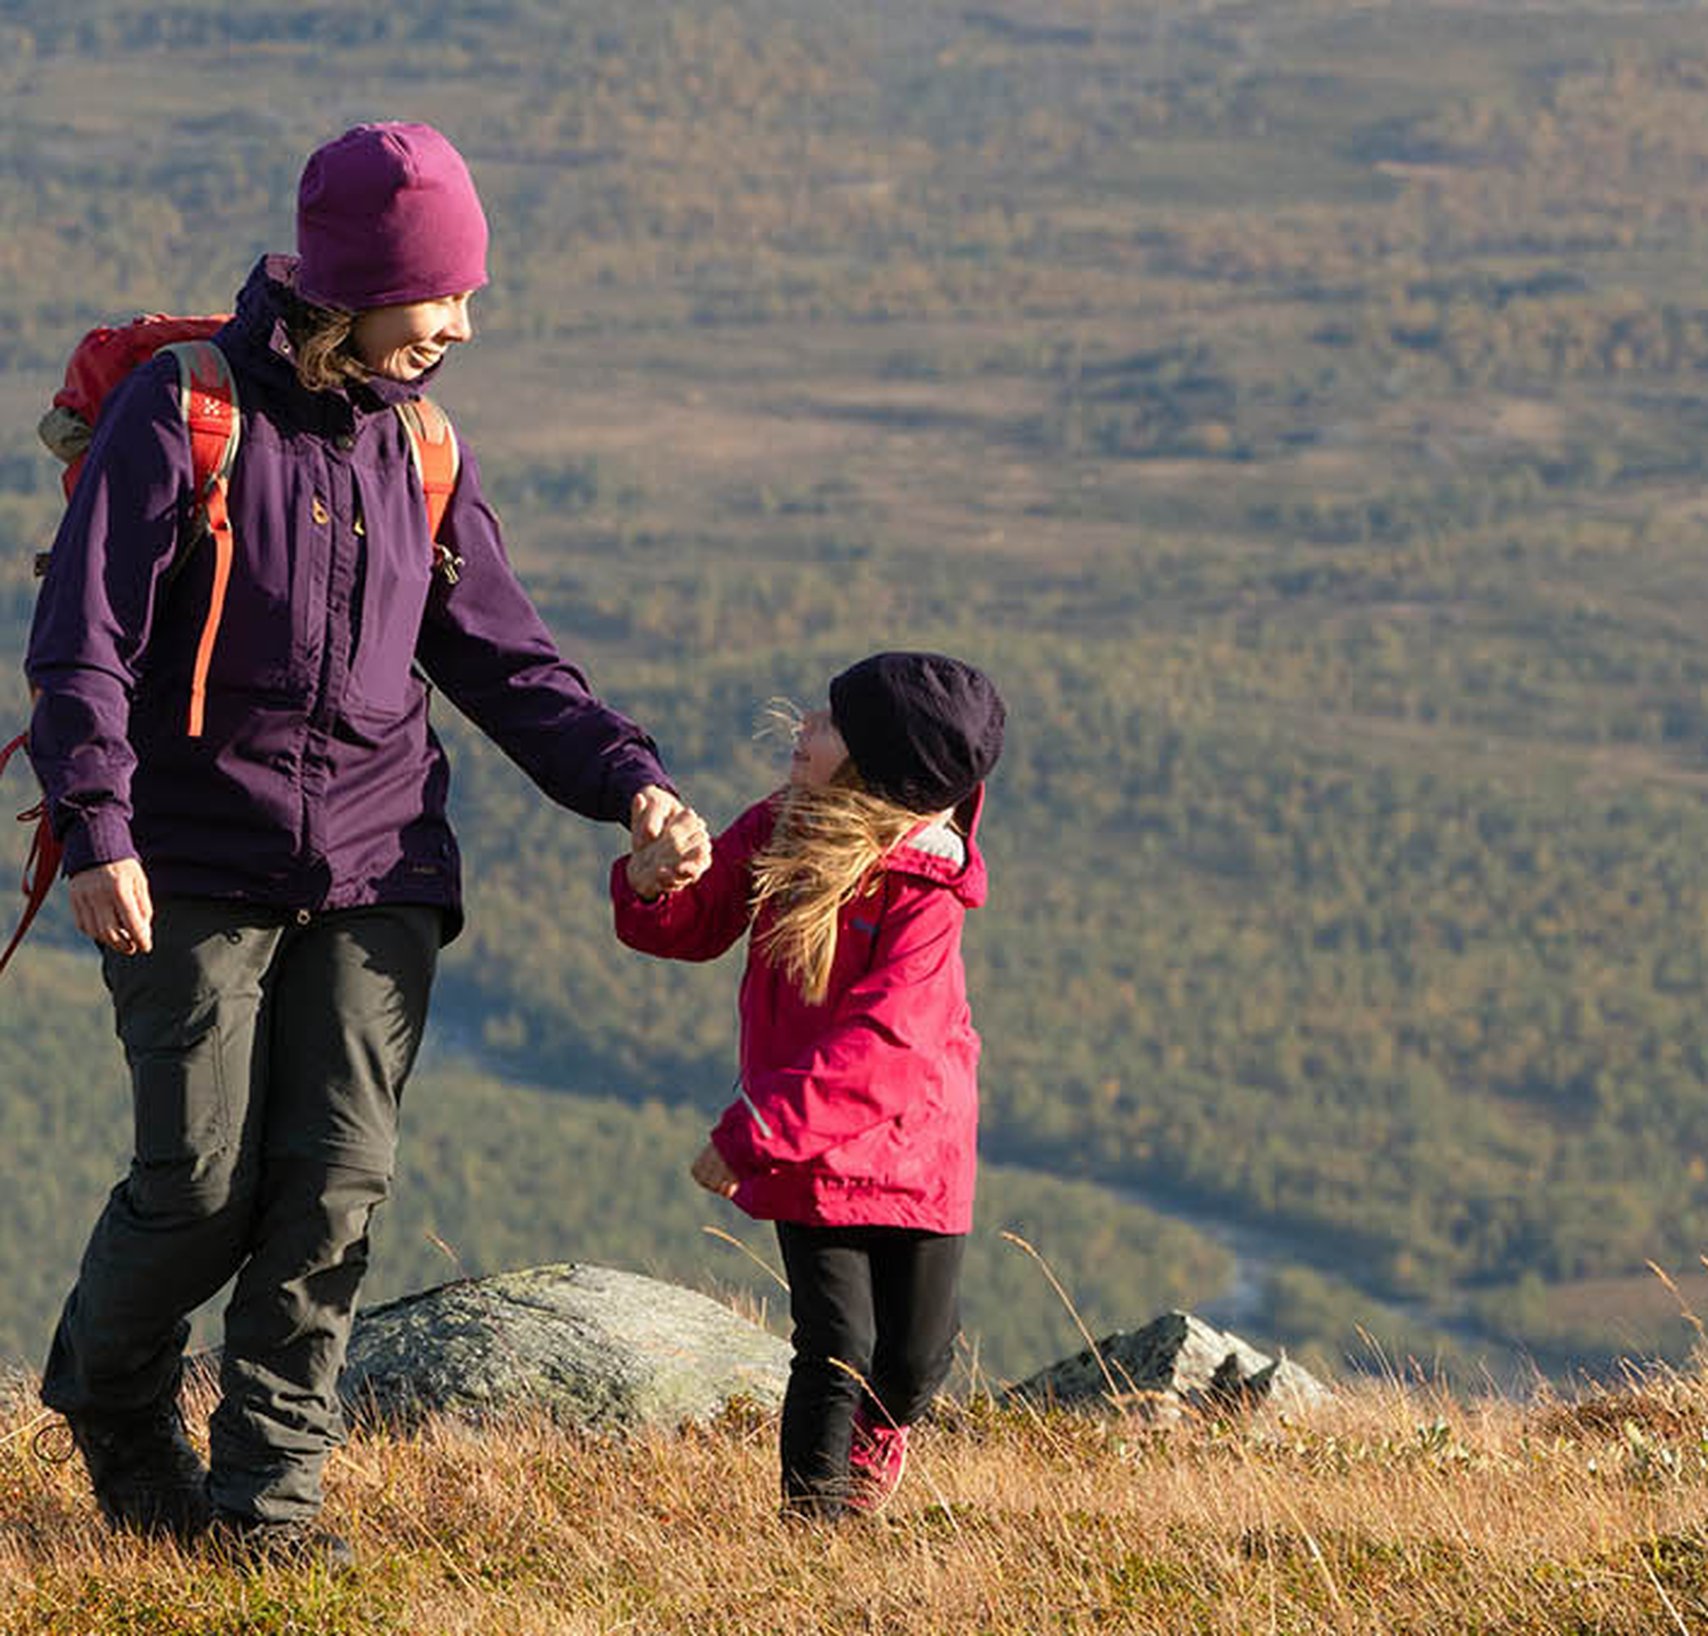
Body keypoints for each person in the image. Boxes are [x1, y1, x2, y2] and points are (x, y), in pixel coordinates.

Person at [27, 121, 706, 1568]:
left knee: (332, 1187)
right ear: (352, 285)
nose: (457, 328)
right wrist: (96, 825)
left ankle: (269, 1509)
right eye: (437, 296)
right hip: (187, 860)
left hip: (379, 868)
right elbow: (82, 641)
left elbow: (509, 662)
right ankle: (112, 1394)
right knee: (199, 1189)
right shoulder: (184, 412)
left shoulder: (423, 449)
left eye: (467, 297)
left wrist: (632, 784)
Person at [614, 651, 1004, 1520]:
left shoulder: (927, 891)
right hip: (808, 1154)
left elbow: (888, 1045)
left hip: (914, 1152)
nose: (805, 725)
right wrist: (651, 884)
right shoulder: (778, 827)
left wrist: (752, 1131)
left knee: (916, 1360)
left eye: (830, 722)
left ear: (876, 766)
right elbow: (698, 922)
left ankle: (877, 1433)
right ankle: (812, 1534)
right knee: (835, 1346)